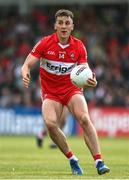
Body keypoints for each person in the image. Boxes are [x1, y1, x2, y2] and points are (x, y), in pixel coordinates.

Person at [21, 9, 110, 175]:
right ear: (55, 25)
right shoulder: (45, 43)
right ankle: (72, 159)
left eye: (67, 23)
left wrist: (92, 79)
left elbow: (85, 69)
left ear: (72, 26)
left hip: (71, 89)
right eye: (60, 23)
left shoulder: (78, 46)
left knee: (84, 118)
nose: (63, 26)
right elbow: (26, 64)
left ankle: (99, 161)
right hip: (50, 92)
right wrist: (25, 73)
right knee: (50, 123)